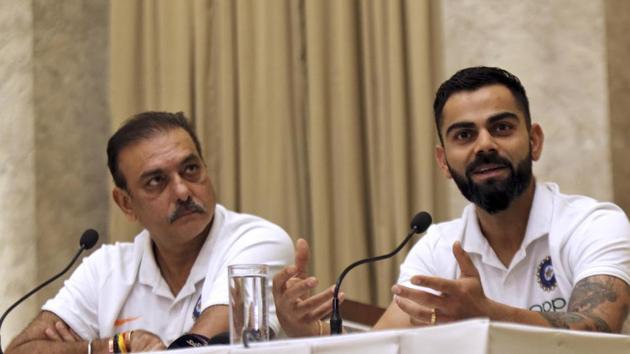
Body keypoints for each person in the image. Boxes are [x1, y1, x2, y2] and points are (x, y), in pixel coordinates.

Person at [273, 66, 630, 336]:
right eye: (464, 135)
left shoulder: (594, 223)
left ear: (534, 141)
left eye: (502, 128)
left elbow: (598, 327)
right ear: (443, 161)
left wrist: (487, 314)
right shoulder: (438, 248)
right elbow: (386, 347)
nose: (485, 145)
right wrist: (309, 332)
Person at [5, 111, 293, 353]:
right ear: (126, 203)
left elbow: (198, 350)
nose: (182, 191)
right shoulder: (105, 270)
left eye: (190, 169)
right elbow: (19, 352)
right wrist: (115, 345)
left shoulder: (257, 241)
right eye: (156, 181)